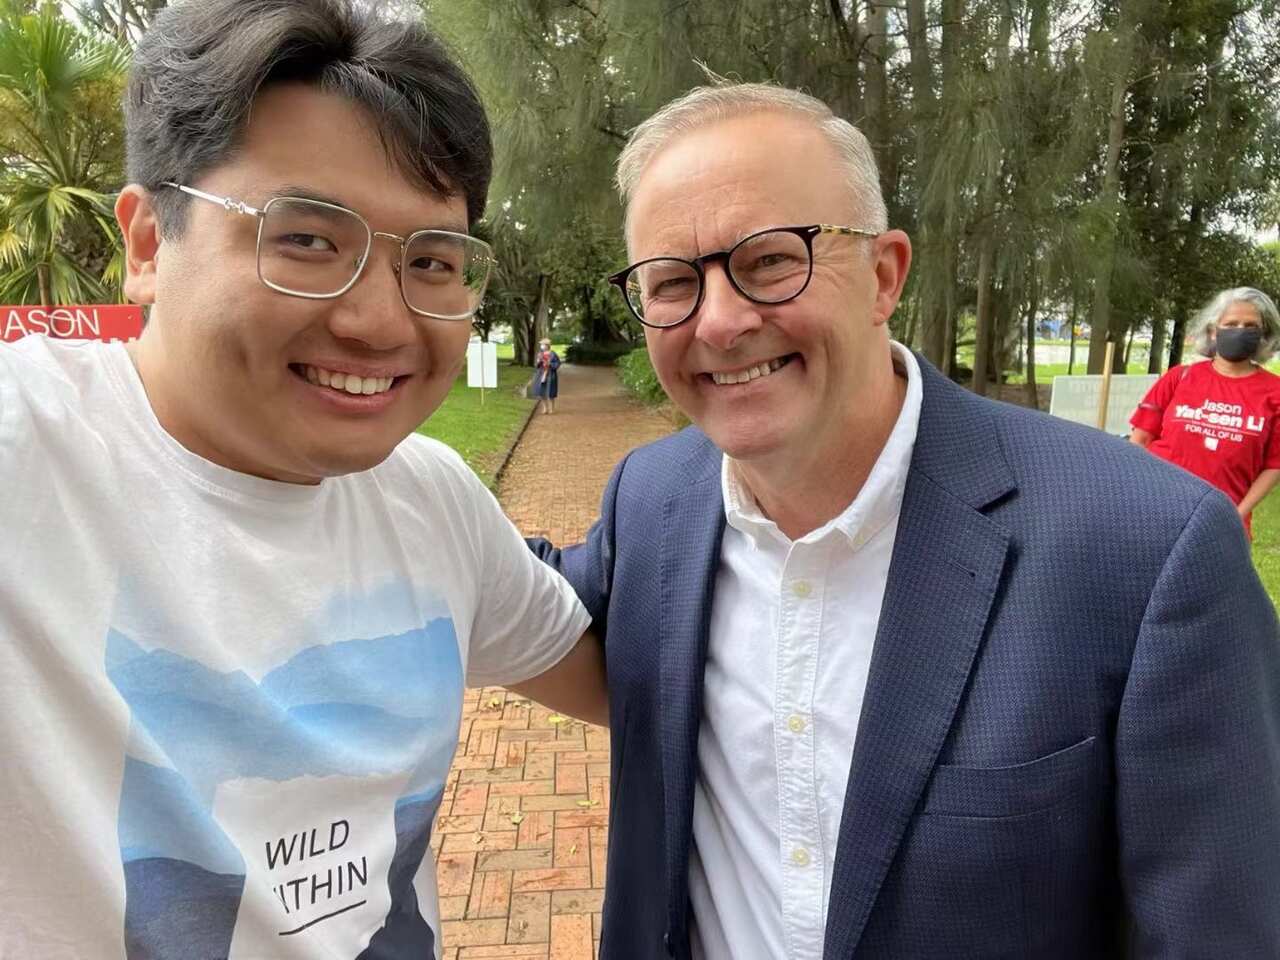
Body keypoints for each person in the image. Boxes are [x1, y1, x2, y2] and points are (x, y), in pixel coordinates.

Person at [531, 82, 1280, 959]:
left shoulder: (1149, 551)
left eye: (772, 260)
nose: (722, 321)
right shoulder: (652, 498)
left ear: (883, 275)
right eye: (671, 282)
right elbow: (518, 605)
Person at [0, 2, 605, 957]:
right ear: (150, 243)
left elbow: (631, 674)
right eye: (309, 241)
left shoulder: (432, 499)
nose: (378, 320)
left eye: (434, 261)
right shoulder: (30, 455)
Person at [1130, 287, 1280, 535]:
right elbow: (1140, 440)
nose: (1240, 330)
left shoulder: (1275, 393)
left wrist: (1237, 514)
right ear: (1213, 331)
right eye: (1231, 323)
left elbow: (1274, 465)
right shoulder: (1179, 378)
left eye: (1250, 326)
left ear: (1263, 335)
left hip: (1223, 522)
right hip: (1156, 512)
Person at [535, 337, 561, 413]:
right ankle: (545, 407)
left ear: (547, 345)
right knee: (541, 391)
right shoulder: (540, 354)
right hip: (541, 374)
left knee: (551, 391)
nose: (542, 346)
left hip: (550, 374)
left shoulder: (553, 354)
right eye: (541, 344)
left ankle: (552, 408)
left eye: (543, 344)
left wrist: (550, 364)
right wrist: (539, 362)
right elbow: (537, 365)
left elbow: (558, 363)